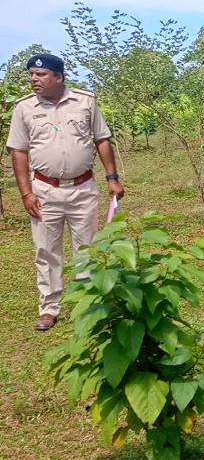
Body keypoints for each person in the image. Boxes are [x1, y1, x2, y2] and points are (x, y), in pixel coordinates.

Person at [5, 52, 124, 330]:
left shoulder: (85, 101)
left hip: (83, 188)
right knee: (46, 250)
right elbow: (19, 152)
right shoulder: (24, 108)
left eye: (41, 74)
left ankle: (87, 304)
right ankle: (49, 308)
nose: (34, 79)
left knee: (87, 249)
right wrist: (26, 194)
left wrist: (112, 178)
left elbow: (102, 140)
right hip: (44, 191)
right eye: (31, 75)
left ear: (59, 77)